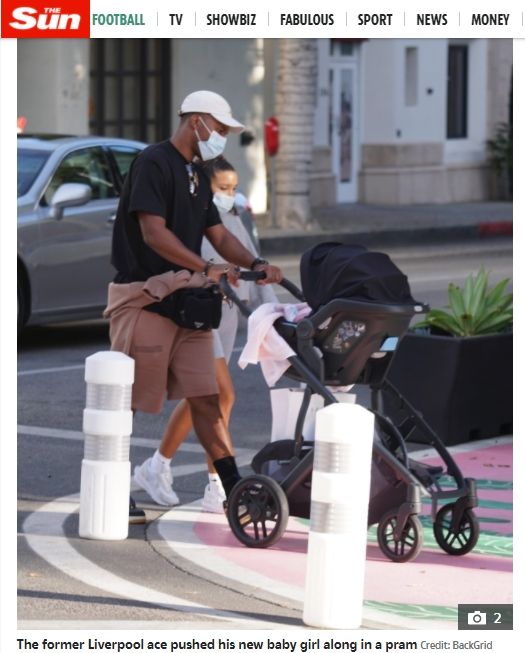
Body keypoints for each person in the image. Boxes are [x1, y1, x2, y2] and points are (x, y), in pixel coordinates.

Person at [106, 90, 283, 518]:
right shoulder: (153, 162)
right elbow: (153, 233)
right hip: (147, 296)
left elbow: (219, 233)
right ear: (196, 120)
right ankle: (111, 483)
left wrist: (255, 263)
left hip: (189, 301)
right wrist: (208, 266)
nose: (221, 136)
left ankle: (233, 486)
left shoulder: (198, 172)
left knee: (206, 398)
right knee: (126, 398)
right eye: (219, 128)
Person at [133, 157, 278, 513]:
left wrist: (274, 309)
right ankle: (218, 485)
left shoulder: (233, 219)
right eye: (222, 189)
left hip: (227, 318)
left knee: (200, 397)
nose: (230, 195)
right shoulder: (193, 220)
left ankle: (157, 466)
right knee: (221, 395)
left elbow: (252, 264)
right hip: (202, 315)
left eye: (233, 188)